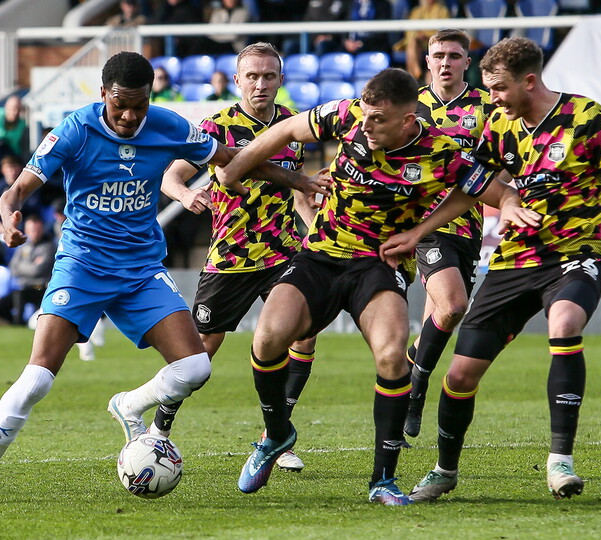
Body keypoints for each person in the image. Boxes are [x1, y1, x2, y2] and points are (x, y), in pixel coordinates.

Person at [0, 51, 327, 505]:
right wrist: (8, 218)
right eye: (119, 105)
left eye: (139, 106)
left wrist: (299, 182)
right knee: (37, 380)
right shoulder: (74, 130)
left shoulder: (168, 125)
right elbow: (16, 191)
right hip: (82, 266)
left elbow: (233, 158)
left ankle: (129, 404)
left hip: (142, 269)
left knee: (195, 368)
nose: (129, 116)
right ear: (103, 94)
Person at [393, 37, 601, 503]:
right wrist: (419, 232)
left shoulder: (588, 118)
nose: (492, 99)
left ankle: (560, 461)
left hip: (575, 255)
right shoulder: (499, 125)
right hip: (514, 260)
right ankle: (444, 470)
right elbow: (472, 188)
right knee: (460, 377)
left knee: (565, 323)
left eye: (499, 89)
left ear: (529, 81)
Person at [217, 67, 538, 505]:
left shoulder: (442, 153)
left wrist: (425, 229)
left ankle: (382, 480)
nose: (365, 126)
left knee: (391, 356)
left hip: (378, 265)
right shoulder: (348, 114)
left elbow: (494, 192)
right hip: (321, 255)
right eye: (365, 116)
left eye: (378, 120)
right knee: (268, 337)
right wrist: (234, 169)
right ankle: (276, 435)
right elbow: (287, 129)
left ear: (407, 120)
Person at [160, 42, 321, 472]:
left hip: (283, 252)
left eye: (269, 76)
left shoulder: (293, 125)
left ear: (281, 80)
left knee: (304, 334)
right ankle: (159, 428)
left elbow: (297, 191)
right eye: (252, 76)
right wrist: (186, 195)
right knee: (200, 353)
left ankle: (276, 435)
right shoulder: (216, 127)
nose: (260, 84)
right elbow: (171, 176)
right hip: (231, 256)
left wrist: (314, 230)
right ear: (237, 81)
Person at [403, 29, 495, 438]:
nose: (445, 63)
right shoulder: (410, 105)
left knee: (440, 315)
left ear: (467, 63)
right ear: (427, 61)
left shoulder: (487, 106)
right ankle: (417, 389)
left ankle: (410, 367)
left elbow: (503, 159)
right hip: (424, 225)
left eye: (454, 56)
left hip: (469, 225)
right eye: (438, 55)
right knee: (455, 304)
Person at [0, 213, 54, 325]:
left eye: (37, 229)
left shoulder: (48, 247)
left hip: (40, 289)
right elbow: (13, 267)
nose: (35, 233)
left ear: (42, 229)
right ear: (26, 230)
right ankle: (18, 324)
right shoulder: (23, 246)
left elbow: (37, 271)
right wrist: (31, 266)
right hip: (23, 287)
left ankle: (18, 323)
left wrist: (23, 267)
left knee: (19, 294)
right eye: (32, 230)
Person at [393, 0, 450, 82]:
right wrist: (418, 35)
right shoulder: (416, 11)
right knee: (413, 43)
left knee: (413, 45)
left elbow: (443, 31)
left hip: (434, 42)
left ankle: (414, 77)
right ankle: (416, 71)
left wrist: (426, 35)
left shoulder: (443, 11)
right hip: (418, 43)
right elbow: (410, 31)